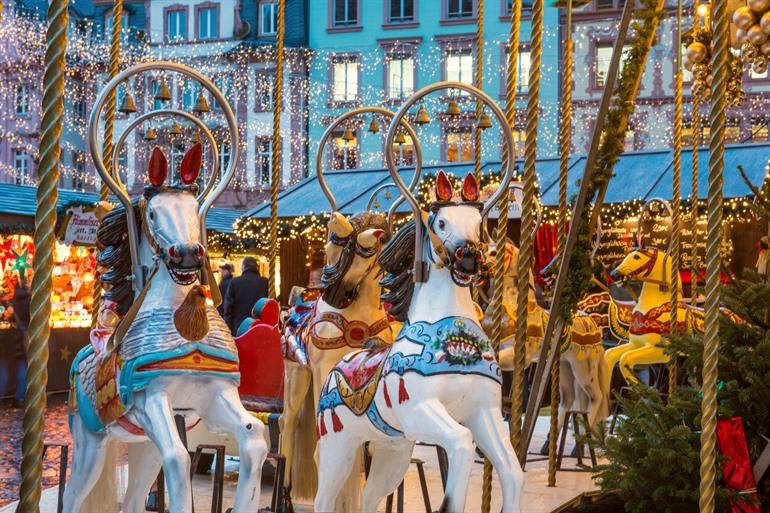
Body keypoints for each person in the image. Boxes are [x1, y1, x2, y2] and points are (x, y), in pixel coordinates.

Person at [0, 282, 30, 408]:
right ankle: (19, 397)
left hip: (7, 339)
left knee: (3, 368)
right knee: (22, 368)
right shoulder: (30, 301)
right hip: (22, 338)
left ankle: (1, 395)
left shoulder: (10, 302)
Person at [223, 257, 269, 334]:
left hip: (239, 329)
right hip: (260, 328)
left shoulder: (235, 282)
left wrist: (228, 330)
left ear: (243, 267)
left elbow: (228, 309)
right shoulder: (265, 282)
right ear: (256, 267)